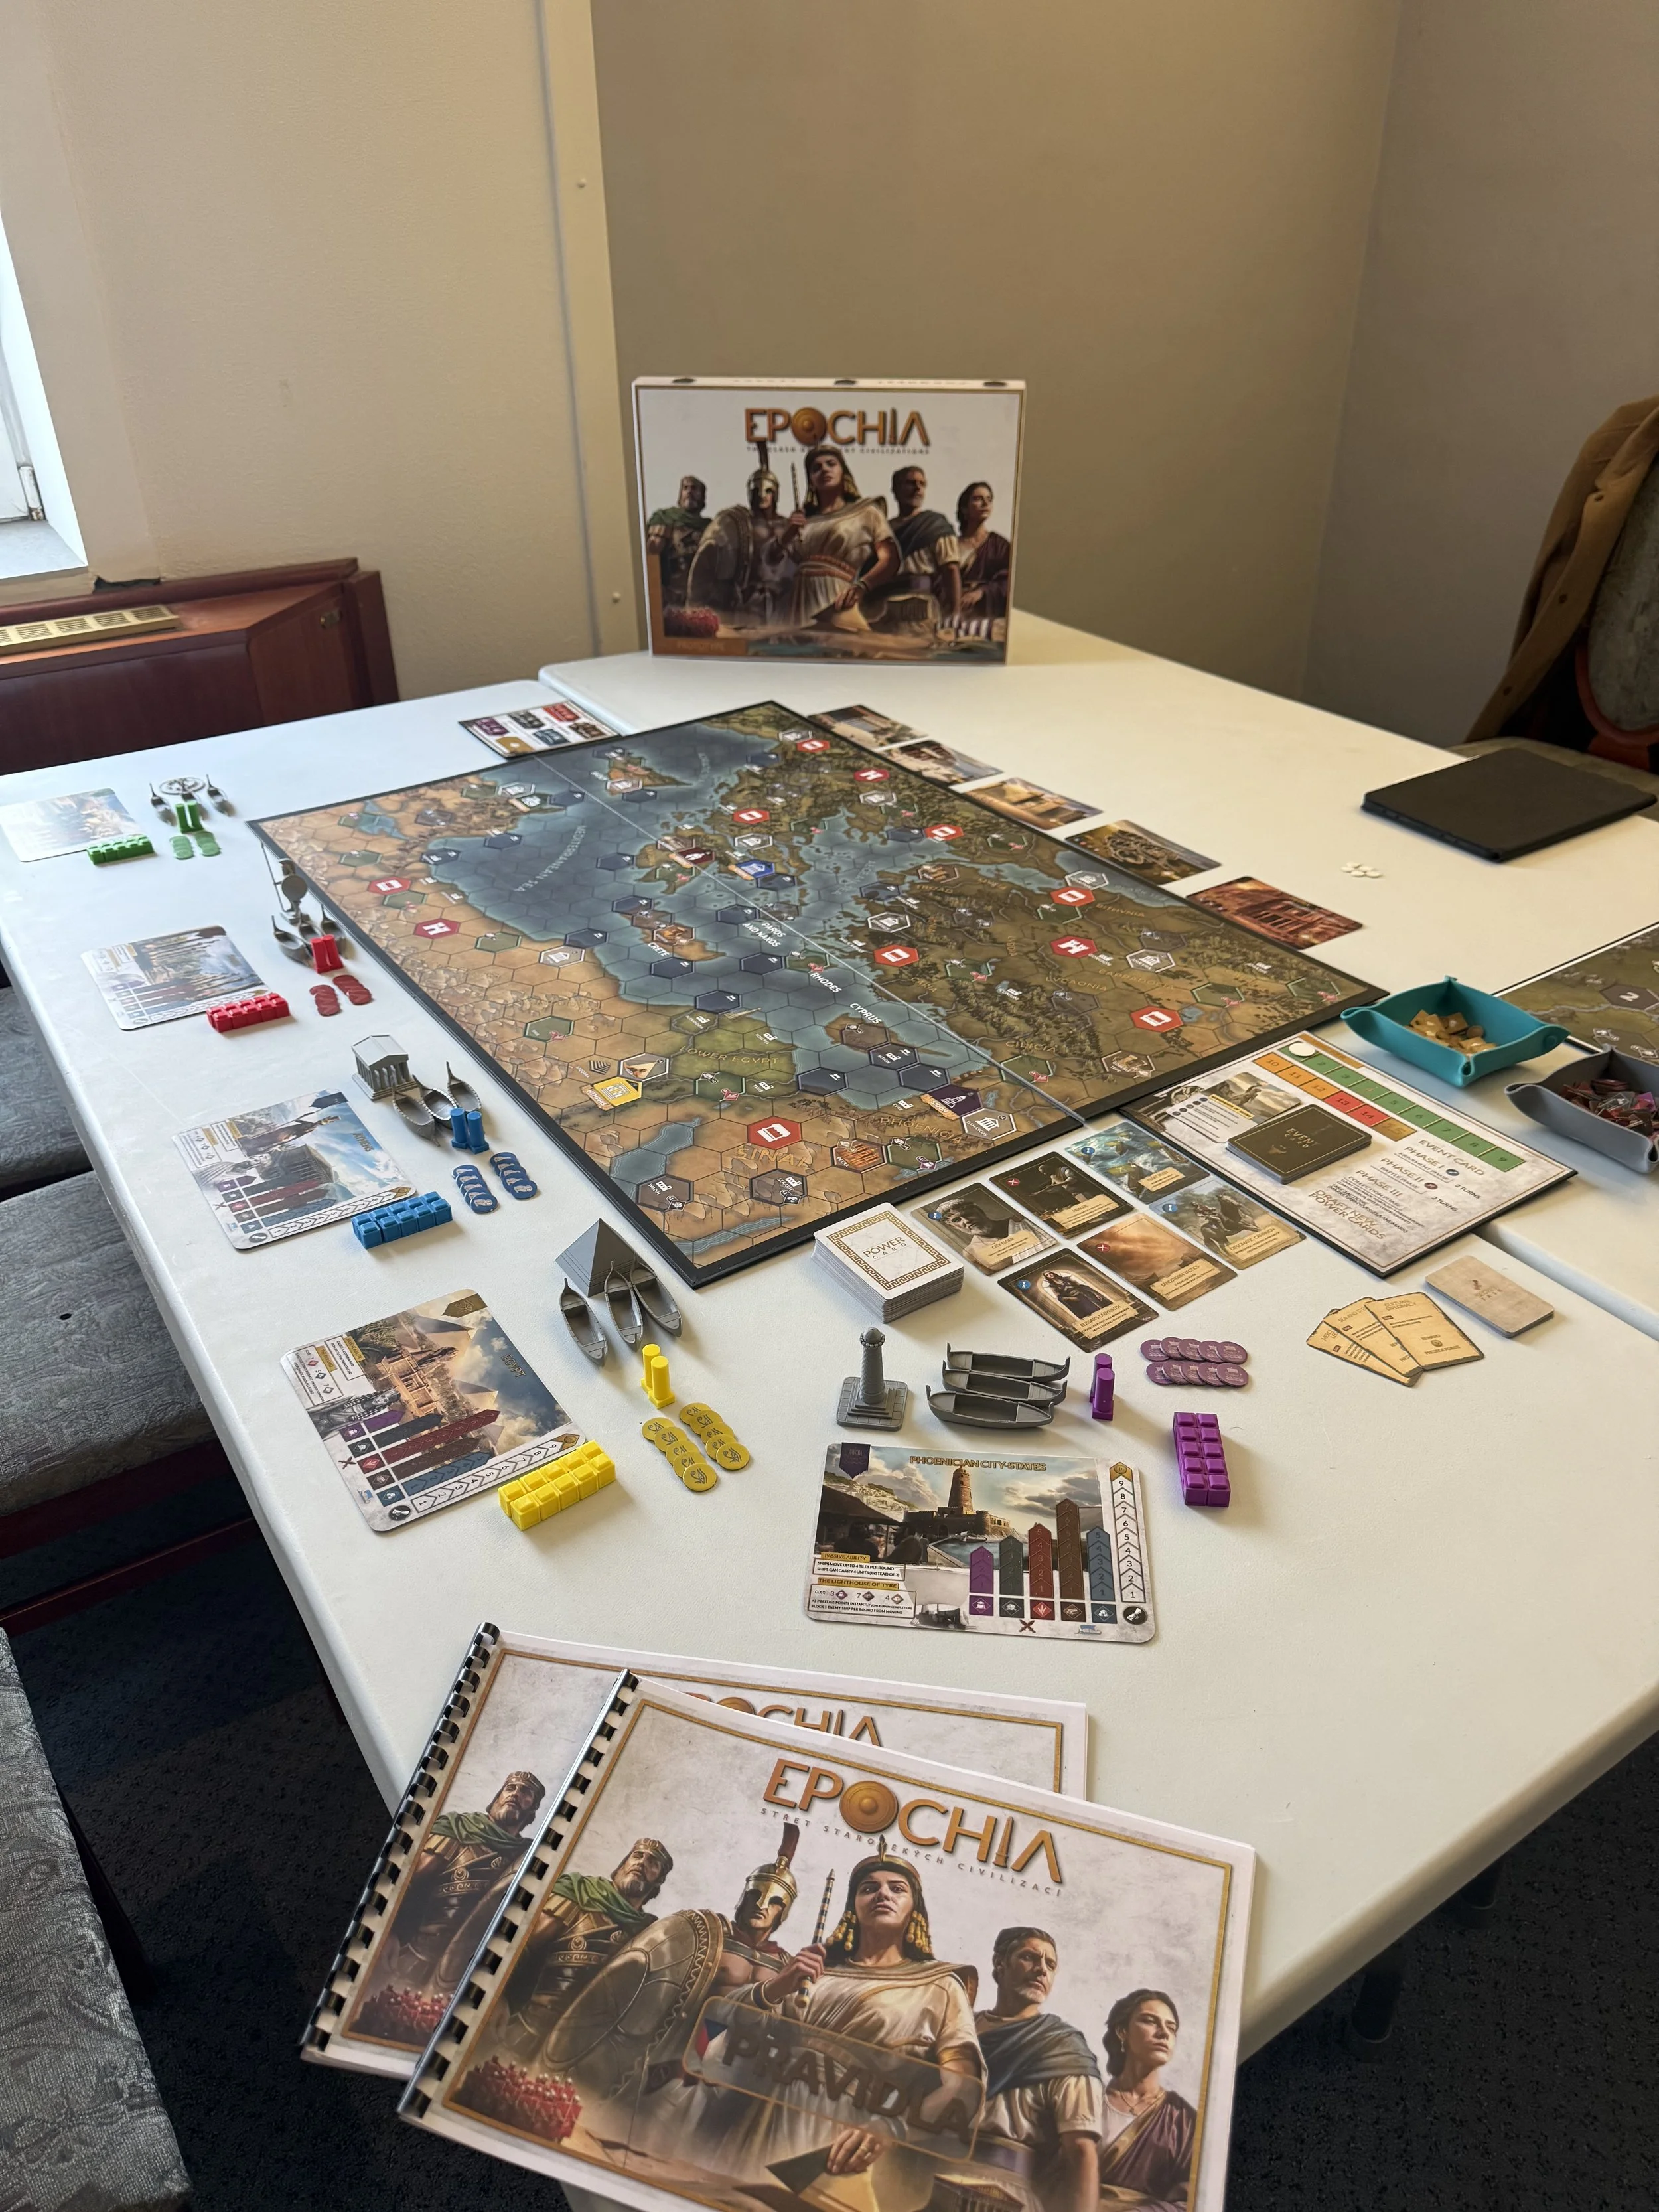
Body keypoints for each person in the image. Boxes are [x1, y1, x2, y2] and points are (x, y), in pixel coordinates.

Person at [724, 1848, 983, 2180]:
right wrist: (779, 1985)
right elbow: (727, 2021)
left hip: (849, 2137)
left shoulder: (940, 1986)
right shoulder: (816, 1974)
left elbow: (963, 2084)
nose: (882, 1894)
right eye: (869, 1888)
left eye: (897, 1888)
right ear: (854, 1906)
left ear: (914, 1909)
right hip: (760, 2116)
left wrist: (894, 2128)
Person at [375, 1770, 545, 2000]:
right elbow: (406, 1882)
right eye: (510, 1788)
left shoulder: (529, 1857)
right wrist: (390, 1931)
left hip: (472, 1981)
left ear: (533, 1808)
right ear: (497, 1797)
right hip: (411, 1963)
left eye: (526, 1792)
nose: (516, 1794)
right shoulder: (459, 1830)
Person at [499, 1835, 674, 2058]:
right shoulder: (581, 1891)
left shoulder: (648, 1933)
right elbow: (522, 1944)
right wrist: (499, 1998)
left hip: (583, 2052)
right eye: (638, 1856)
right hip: (525, 2028)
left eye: (653, 1863)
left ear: (658, 1880)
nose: (642, 1863)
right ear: (624, 1864)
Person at [974, 1927, 1101, 2212]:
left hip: (1006, 2196)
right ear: (1000, 1964)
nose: (1042, 1970)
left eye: (1051, 1965)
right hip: (925, 2179)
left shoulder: (1064, 2048)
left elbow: (1081, 2153)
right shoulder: (959, 2029)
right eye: (1029, 1957)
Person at [1095, 1989, 1195, 2211]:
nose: (1164, 2034)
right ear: (1122, 2032)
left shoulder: (1184, 2121)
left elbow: (1191, 2199)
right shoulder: (1087, 2100)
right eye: (1150, 2021)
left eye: (1171, 2028)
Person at [781, 445, 899, 632]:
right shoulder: (805, 521)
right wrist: (787, 535)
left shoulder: (866, 512)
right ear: (810, 480)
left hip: (836, 594)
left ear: (844, 472)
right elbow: (773, 562)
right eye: (816, 468)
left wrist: (862, 585)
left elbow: (890, 558)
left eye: (831, 464)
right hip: (799, 598)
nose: (824, 470)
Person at [686, 467, 796, 627]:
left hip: (786, 604)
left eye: (768, 491)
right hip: (746, 605)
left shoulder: (788, 525)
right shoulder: (734, 523)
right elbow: (705, 560)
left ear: (776, 494)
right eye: (756, 490)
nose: (762, 495)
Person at [880, 464, 962, 629]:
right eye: (911, 483)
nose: (917, 488)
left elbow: (951, 570)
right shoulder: (884, 529)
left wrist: (955, 613)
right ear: (896, 490)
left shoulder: (936, 525)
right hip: (886, 605)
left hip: (919, 604)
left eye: (922, 484)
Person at [646, 476, 709, 608]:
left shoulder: (710, 527)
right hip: (672, 596)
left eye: (694, 489)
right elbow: (651, 553)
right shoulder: (666, 518)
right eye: (686, 488)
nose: (690, 492)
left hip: (702, 598)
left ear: (702, 496)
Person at [956, 481, 1012, 625]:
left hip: (987, 617)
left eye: (989, 499)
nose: (985, 503)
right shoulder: (951, 545)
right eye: (978, 499)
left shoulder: (1000, 545)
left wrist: (981, 592)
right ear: (964, 508)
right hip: (954, 613)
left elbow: (1010, 581)